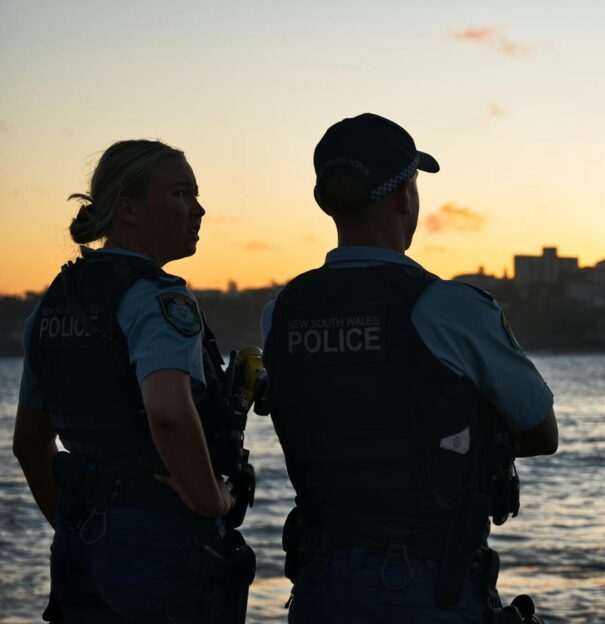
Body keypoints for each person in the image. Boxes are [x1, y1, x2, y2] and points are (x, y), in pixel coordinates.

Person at [262, 113, 558, 623]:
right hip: (424, 582)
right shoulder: (448, 308)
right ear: (404, 196)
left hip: (318, 584)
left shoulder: (282, 313)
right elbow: (540, 431)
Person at [12, 140, 255, 623]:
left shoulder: (52, 306)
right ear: (129, 209)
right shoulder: (160, 303)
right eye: (181, 194)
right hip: (160, 547)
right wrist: (213, 499)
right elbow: (167, 413)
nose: (199, 209)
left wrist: (76, 527)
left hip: (79, 548)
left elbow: (28, 445)